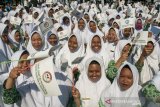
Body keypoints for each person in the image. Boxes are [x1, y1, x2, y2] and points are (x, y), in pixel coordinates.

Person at [2, 50, 73, 107]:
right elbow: (9, 99)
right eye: (21, 62)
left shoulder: (55, 77)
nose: (25, 64)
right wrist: (11, 78)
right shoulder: (24, 85)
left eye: (28, 61)